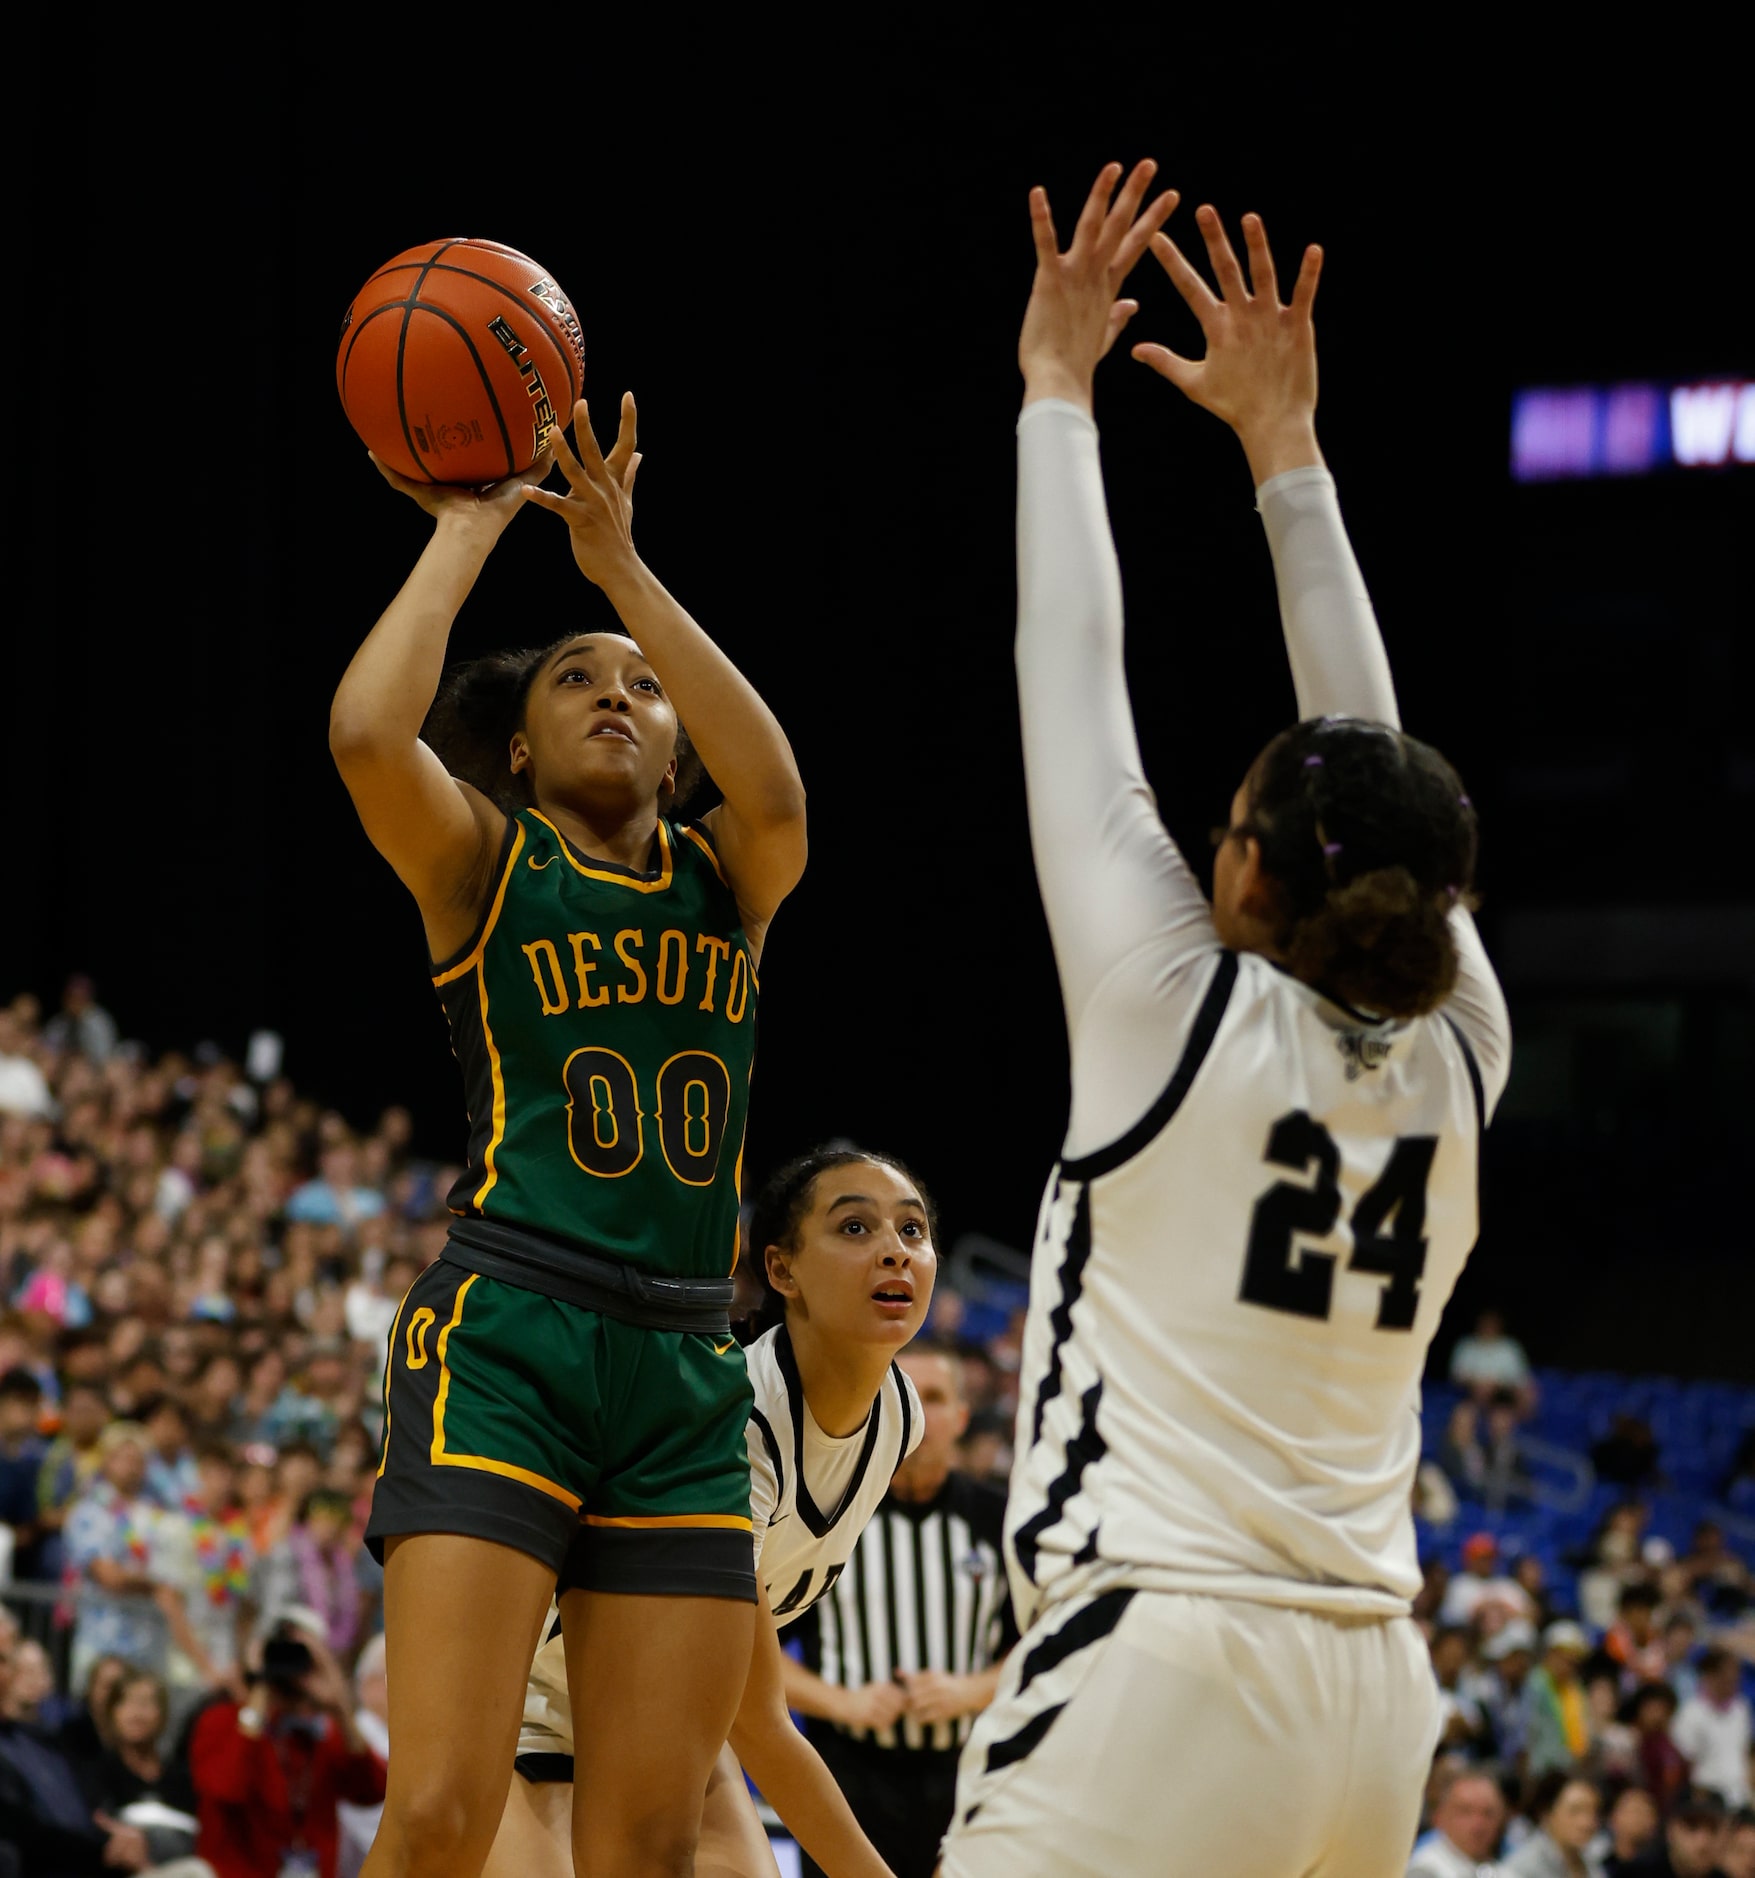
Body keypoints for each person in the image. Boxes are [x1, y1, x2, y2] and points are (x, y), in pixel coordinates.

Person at [937, 162, 1510, 1878]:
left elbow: (1069, 673)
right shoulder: (1465, 1043)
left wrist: (1056, 390)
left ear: (1249, 873)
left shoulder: (1165, 1014)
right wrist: (1288, 458)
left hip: (1161, 1662)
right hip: (1374, 1697)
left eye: (1228, 824)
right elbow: (1386, 774)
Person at [333, 358, 807, 1877]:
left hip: (680, 1361)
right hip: (510, 1332)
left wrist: (619, 572)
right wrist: (470, 529)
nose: (619, 691)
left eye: (642, 686)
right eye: (577, 679)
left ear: (675, 751)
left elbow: (783, 788)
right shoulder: (483, 858)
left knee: (651, 1840)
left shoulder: (729, 875)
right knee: (437, 1807)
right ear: (519, 748)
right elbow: (362, 735)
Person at [484, 1145, 935, 1878]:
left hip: (677, 1724)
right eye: (855, 1229)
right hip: (537, 1706)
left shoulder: (899, 1415)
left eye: (912, 1231)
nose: (894, 1251)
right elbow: (761, 1723)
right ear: (781, 1269)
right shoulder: (732, 1426)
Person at [787, 1342, 1016, 1878]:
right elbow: (755, 1651)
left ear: (961, 1416)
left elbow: (1043, 1640)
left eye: (933, 1397)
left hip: (964, 1781)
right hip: (845, 1779)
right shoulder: (830, 1515)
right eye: (901, 1392)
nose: (917, 1410)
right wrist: (842, 1702)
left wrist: (973, 1690)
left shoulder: (999, 1520)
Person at [187, 1615, 385, 1878]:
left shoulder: (319, 1729)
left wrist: (340, 1706)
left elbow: (372, 1790)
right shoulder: (222, 1720)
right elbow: (227, 1789)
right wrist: (260, 1688)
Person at [73, 1669, 207, 1870]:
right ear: (112, 1713)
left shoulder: (183, 1779)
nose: (136, 1713)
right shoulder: (97, 1774)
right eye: (126, 1703)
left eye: (146, 1703)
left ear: (162, 1715)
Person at [1671, 1650, 1752, 1808]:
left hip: (1739, 1794)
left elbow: (1744, 1752)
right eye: (1727, 1675)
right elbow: (1684, 1760)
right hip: (1706, 1793)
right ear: (1710, 1676)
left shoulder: (1741, 1709)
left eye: (1736, 1676)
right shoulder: (1690, 1712)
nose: (1733, 1680)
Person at [1525, 1624, 1598, 1785]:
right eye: (1565, 1658)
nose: (1570, 1665)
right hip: (1544, 1773)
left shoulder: (1574, 1688)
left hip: (1572, 1769)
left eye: (1574, 1661)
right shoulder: (1535, 1684)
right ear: (1550, 1654)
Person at [1406, 1767, 1507, 1876]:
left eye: (1488, 1813)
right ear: (1439, 1817)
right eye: (1465, 1811)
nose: (1478, 1824)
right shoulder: (1424, 1870)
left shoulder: (1505, 1873)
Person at [1503, 1773, 1606, 1877]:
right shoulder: (1522, 1867)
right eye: (1575, 1811)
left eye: (1594, 1812)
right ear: (1547, 1813)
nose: (1587, 1822)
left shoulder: (1593, 1863)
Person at [1623, 1789, 1730, 1877]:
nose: (1703, 1841)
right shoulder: (1639, 1872)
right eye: (1692, 1827)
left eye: (1713, 1829)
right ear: (1670, 1830)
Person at [1603, 1788, 1662, 1874]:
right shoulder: (1597, 1864)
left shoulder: (1662, 1868)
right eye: (1635, 1811)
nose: (1641, 1819)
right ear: (1613, 1818)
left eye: (1648, 1812)